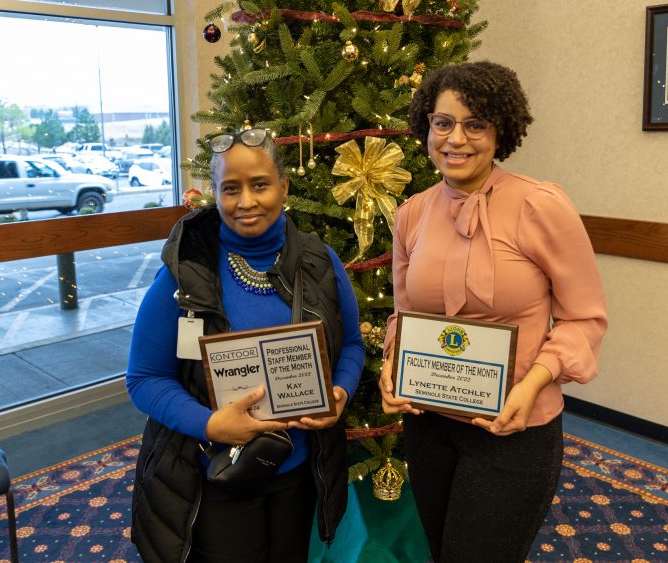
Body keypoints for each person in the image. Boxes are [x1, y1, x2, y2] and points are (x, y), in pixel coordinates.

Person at [379, 61, 608, 563]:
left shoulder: (540, 206)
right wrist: (391, 363)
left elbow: (584, 319)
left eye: (474, 124)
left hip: (514, 429)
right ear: (426, 127)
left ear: (500, 130)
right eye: (443, 123)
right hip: (430, 424)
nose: (455, 139)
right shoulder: (412, 213)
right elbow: (404, 315)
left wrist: (531, 386)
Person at [126, 127, 365, 562]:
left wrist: (340, 392)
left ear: (284, 186)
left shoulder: (320, 262)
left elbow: (350, 345)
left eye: (260, 185)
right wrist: (211, 424)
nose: (246, 202)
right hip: (215, 474)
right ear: (214, 194)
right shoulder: (184, 273)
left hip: (297, 471)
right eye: (230, 189)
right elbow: (144, 379)